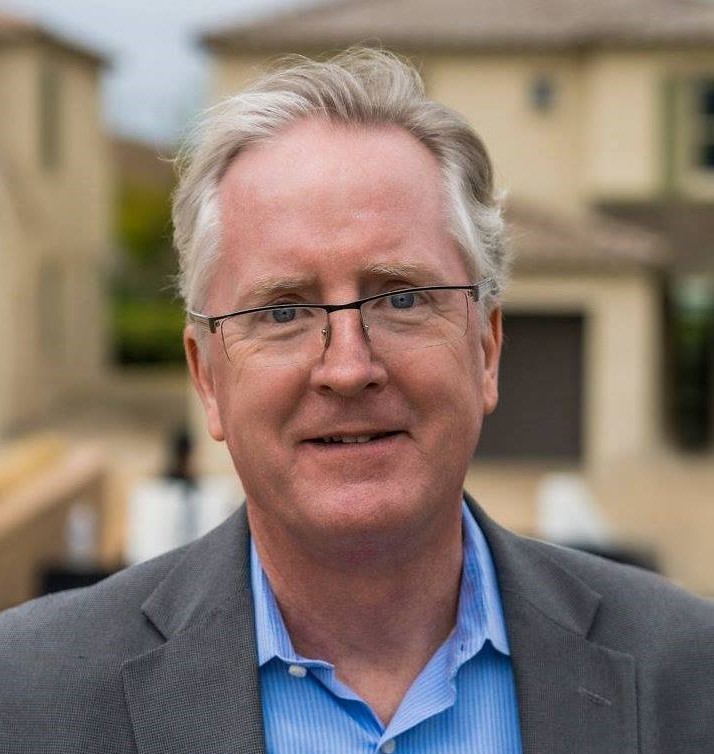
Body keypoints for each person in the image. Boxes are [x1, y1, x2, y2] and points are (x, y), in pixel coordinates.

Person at [1, 49, 712, 754]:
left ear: (487, 350)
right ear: (207, 378)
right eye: (283, 312)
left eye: (402, 299)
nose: (348, 368)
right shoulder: (26, 696)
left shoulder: (690, 674)